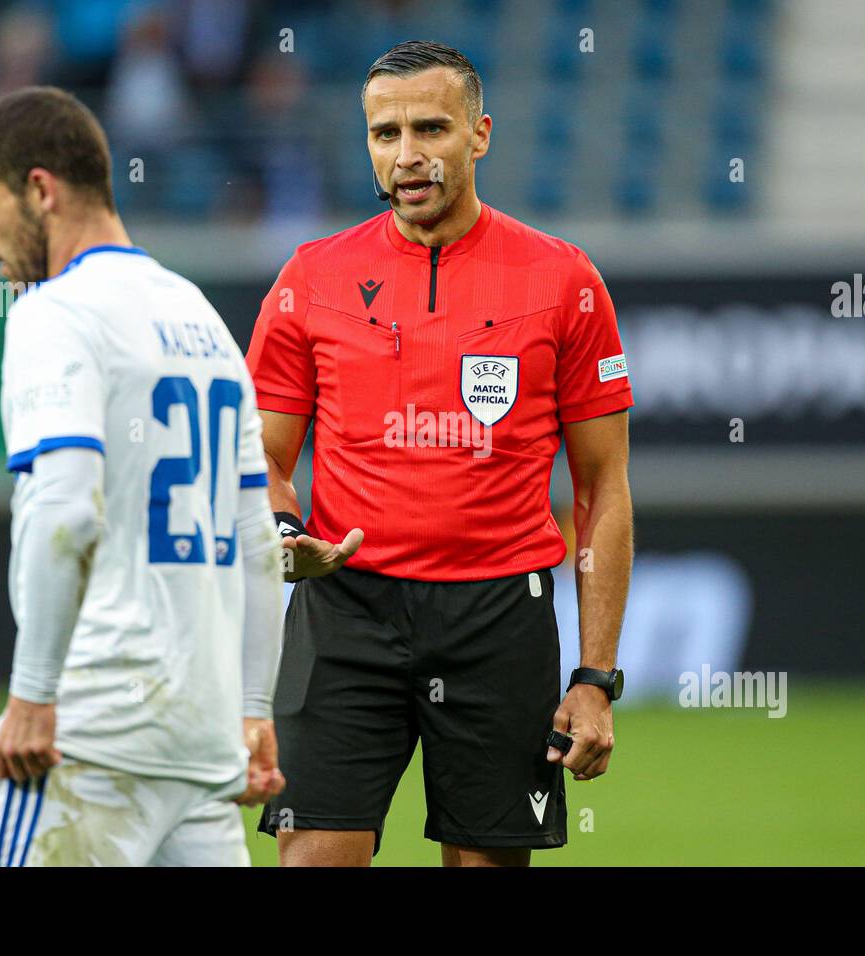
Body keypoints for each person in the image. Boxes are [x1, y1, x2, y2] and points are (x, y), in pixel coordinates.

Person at [247, 41, 634, 867]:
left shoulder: (564, 280)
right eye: (385, 134)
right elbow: (262, 460)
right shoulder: (309, 279)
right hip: (344, 608)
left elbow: (602, 485)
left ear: (480, 134)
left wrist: (596, 679)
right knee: (313, 858)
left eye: (431, 127)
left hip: (500, 618)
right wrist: (284, 531)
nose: (407, 153)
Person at [0, 86, 284, 866]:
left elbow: (66, 510)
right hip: (200, 749)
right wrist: (253, 709)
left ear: (39, 189)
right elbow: (257, 540)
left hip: (90, 731)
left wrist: (33, 695)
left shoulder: (54, 312)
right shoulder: (199, 316)